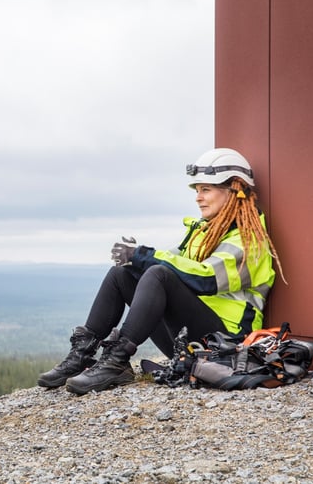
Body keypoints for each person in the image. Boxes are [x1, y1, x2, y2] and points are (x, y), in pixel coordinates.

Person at [38, 147, 285, 395]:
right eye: (197, 191)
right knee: (122, 274)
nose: (198, 197)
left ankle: (115, 359)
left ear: (234, 188)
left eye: (206, 189)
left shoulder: (249, 240)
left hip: (227, 344)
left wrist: (145, 256)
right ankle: (82, 356)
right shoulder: (204, 232)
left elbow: (206, 278)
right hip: (191, 341)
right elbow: (175, 262)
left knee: (158, 274)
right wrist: (136, 261)